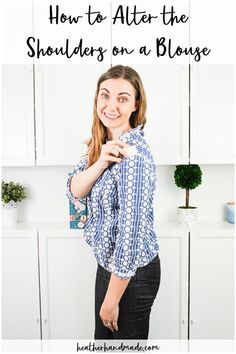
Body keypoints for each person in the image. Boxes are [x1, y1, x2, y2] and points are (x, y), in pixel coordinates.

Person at [66, 65, 161, 340]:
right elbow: (75, 190)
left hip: (133, 274)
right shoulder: (101, 145)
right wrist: (100, 162)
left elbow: (130, 235)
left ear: (135, 104)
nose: (111, 105)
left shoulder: (134, 157)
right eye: (105, 95)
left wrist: (110, 302)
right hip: (109, 267)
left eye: (122, 98)